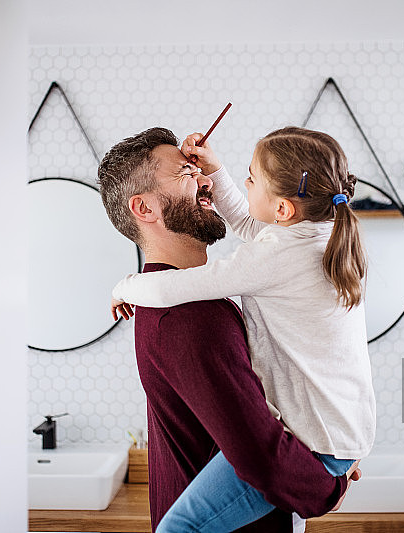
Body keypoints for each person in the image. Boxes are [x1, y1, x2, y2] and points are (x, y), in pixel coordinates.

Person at [111, 126, 376, 532]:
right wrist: (326, 484)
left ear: (283, 209)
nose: (203, 179)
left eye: (250, 178)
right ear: (143, 208)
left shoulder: (208, 292)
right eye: (185, 173)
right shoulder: (193, 316)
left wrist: (123, 285)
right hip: (333, 440)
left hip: (316, 448)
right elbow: (249, 226)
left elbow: (260, 456)